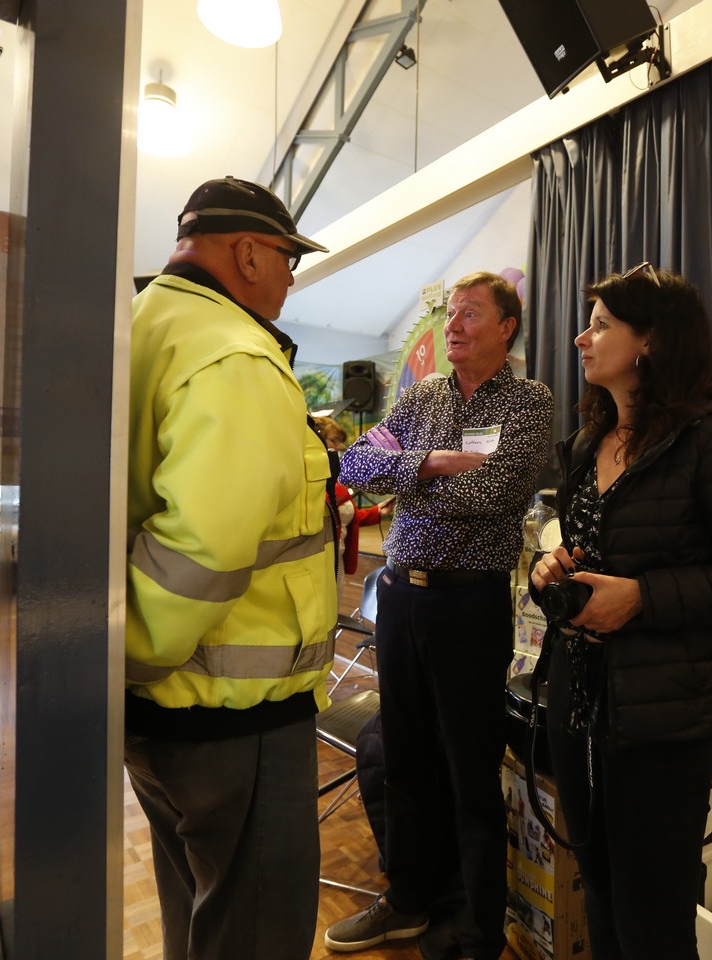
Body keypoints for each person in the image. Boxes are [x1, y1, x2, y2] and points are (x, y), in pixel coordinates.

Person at [529, 263, 712, 960]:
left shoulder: (710, 440)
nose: (581, 339)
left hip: (664, 719)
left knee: (653, 915)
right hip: (579, 704)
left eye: (600, 325)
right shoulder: (588, 443)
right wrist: (548, 572)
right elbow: (584, 554)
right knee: (600, 889)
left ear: (649, 340)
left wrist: (643, 598)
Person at [123, 176, 338, 960]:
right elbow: (204, 549)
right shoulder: (235, 355)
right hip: (232, 709)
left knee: (196, 913)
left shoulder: (146, 324)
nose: (289, 277)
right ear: (248, 252)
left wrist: (125, 669)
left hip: (164, 709)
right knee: (255, 933)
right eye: (287, 259)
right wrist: (138, 652)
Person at [327, 272, 553, 960]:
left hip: (468, 604)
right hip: (400, 597)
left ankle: (478, 930)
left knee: (469, 768)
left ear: (506, 327)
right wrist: (429, 465)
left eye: (469, 314)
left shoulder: (528, 401)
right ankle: (408, 900)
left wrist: (408, 482)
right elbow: (355, 465)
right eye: (450, 313)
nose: (451, 325)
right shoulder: (422, 396)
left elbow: (494, 494)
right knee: (403, 757)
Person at [312, 415, 394, 589]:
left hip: (337, 561)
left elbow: (346, 517)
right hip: (316, 563)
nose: (338, 447)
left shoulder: (337, 482)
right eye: (333, 440)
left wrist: (377, 512)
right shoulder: (310, 483)